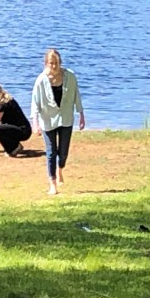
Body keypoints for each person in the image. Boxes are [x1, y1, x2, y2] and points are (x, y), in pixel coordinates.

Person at [31, 48, 85, 195]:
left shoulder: (70, 76)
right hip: (47, 119)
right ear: (46, 63)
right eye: (51, 63)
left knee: (63, 152)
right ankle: (52, 184)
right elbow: (35, 103)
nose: (54, 66)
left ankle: (60, 168)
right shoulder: (41, 80)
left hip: (65, 118)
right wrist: (35, 123)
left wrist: (81, 114)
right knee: (51, 152)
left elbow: (76, 95)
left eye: (56, 63)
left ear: (60, 62)